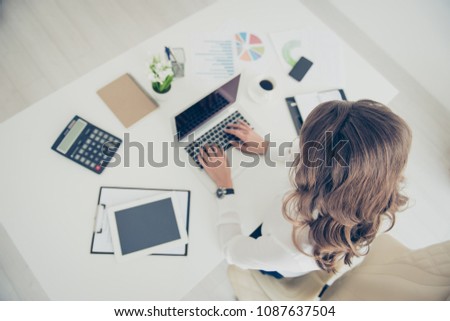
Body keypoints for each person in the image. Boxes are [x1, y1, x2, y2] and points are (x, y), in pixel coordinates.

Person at [198, 99, 412, 277]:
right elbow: (319, 156)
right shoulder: (376, 182)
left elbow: (233, 251)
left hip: (278, 255)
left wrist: (224, 185)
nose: (300, 147)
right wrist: (266, 147)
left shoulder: (293, 245)